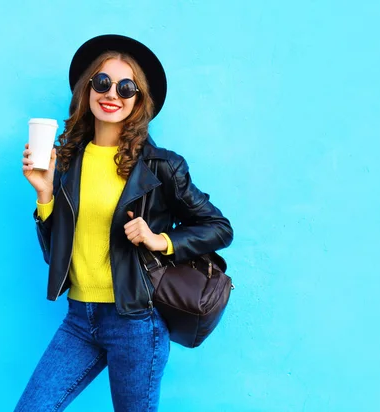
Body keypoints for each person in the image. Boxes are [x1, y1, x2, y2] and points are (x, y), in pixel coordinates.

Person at [16, 34, 233, 411]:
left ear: (138, 100)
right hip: (80, 319)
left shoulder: (161, 166)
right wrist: (45, 194)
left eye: (126, 86)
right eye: (102, 82)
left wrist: (159, 240)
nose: (111, 93)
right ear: (87, 90)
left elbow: (219, 228)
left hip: (135, 322)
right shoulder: (67, 162)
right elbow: (56, 256)